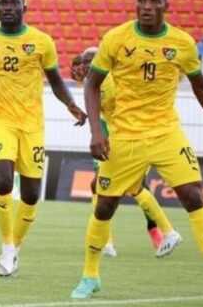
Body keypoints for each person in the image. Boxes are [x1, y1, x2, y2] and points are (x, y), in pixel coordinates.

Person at [71, 0, 203, 304]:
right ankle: (90, 276)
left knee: (194, 196)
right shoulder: (116, 38)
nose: (147, 7)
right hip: (125, 135)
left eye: (154, 1)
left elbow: (201, 87)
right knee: (105, 205)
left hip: (166, 133)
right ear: (135, 5)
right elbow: (92, 85)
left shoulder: (182, 43)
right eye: (141, 1)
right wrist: (97, 131)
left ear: (166, 6)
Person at [0, 0, 87, 277]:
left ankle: (15, 246)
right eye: (2, 3)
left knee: (31, 193)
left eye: (13, 3)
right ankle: (7, 246)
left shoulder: (41, 42)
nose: (7, 8)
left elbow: (55, 80)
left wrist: (71, 104)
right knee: (4, 181)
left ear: (24, 8)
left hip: (32, 124)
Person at [74, 47, 178, 257]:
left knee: (123, 188)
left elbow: (109, 108)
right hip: (118, 136)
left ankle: (111, 241)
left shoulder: (109, 83)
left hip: (125, 139)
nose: (85, 65)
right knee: (114, 187)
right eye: (83, 62)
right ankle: (164, 232)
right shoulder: (96, 81)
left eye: (89, 61)